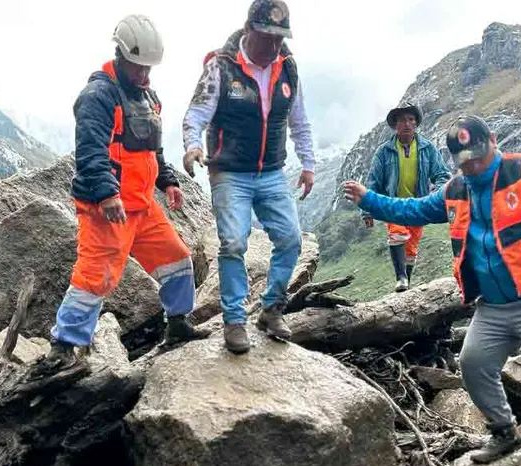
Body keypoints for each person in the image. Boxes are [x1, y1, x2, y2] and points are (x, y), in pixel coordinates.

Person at [343, 115, 521, 466]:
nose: (473, 166)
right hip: (496, 305)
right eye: (464, 160)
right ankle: (505, 434)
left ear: (493, 142)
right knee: (472, 364)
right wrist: (369, 199)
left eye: (478, 157)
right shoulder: (456, 190)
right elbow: (413, 211)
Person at [39, 14, 208, 374]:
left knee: (177, 258)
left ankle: (177, 325)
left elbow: (152, 150)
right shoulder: (98, 96)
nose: (145, 75)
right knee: (94, 276)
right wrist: (106, 195)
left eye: (149, 68)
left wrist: (168, 181)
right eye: (138, 67)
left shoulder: (150, 98)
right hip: (106, 209)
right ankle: (64, 346)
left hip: (142, 206)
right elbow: (90, 152)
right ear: (120, 55)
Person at [181, 0, 315, 354]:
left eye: (279, 38)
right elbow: (196, 115)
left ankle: (271, 309)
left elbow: (299, 121)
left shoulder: (288, 68)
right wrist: (193, 146)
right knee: (234, 243)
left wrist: (309, 164)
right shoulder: (221, 67)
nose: (273, 45)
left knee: (290, 240)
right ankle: (234, 320)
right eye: (267, 37)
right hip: (229, 172)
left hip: (271, 172)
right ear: (249, 29)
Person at [362, 103, 451, 292]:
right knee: (398, 234)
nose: (407, 124)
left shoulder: (427, 148)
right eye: (402, 120)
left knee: (411, 246)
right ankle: (400, 277)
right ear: (395, 125)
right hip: (392, 204)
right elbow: (373, 182)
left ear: (416, 123)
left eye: (411, 119)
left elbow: (442, 174)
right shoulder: (384, 151)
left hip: (418, 205)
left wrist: (439, 193)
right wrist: (367, 209)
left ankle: (406, 283)